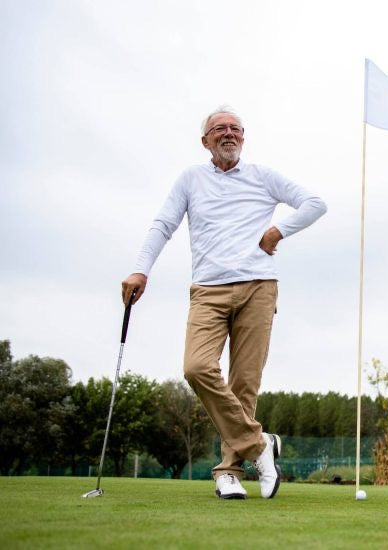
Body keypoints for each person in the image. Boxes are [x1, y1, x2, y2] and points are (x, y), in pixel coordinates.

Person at [121, 106, 326, 499]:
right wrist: (140, 270)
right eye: (219, 129)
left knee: (244, 384)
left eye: (234, 128)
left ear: (244, 137)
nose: (228, 134)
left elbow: (315, 203)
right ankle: (259, 445)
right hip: (208, 290)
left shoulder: (263, 176)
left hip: (258, 287)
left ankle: (227, 473)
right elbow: (163, 224)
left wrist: (277, 231)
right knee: (197, 367)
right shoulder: (190, 179)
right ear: (206, 141)